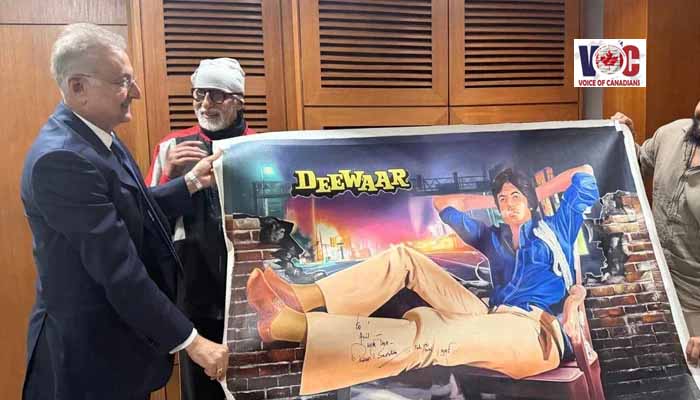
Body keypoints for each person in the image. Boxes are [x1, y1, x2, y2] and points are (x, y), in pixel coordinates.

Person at [245, 165, 598, 395]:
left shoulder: (557, 227)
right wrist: (493, 197)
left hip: (535, 333)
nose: (508, 203)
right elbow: (443, 203)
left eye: (516, 197)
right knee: (405, 259)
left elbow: (585, 173)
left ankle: (295, 327)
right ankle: (305, 298)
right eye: (502, 198)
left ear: (531, 200)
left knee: (429, 331)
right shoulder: (493, 237)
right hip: (491, 315)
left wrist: (534, 191)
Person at [20, 23, 229, 400]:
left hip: (119, 349)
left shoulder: (99, 137)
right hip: (87, 362)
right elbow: (118, 271)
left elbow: (133, 209)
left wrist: (189, 183)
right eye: (122, 82)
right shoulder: (62, 159)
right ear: (78, 87)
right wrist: (194, 342)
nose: (136, 92)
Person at [145, 58, 254, 400]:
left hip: (250, 291)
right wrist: (169, 177)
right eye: (199, 94)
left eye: (217, 95)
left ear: (238, 100)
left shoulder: (261, 145)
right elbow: (146, 221)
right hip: (193, 291)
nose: (205, 104)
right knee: (200, 390)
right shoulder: (171, 148)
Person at [612, 104, 700, 366]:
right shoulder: (670, 134)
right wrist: (626, 138)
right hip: (653, 292)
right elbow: (638, 165)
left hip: (695, 309)